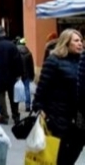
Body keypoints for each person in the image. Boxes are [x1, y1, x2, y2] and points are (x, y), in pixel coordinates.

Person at [34, 29, 85, 164]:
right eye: (76, 41)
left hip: (78, 119)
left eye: (81, 40)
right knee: (58, 157)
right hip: (57, 117)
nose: (80, 43)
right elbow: (42, 88)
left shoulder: (82, 61)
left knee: (72, 154)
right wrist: (40, 108)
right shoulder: (54, 61)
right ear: (66, 43)